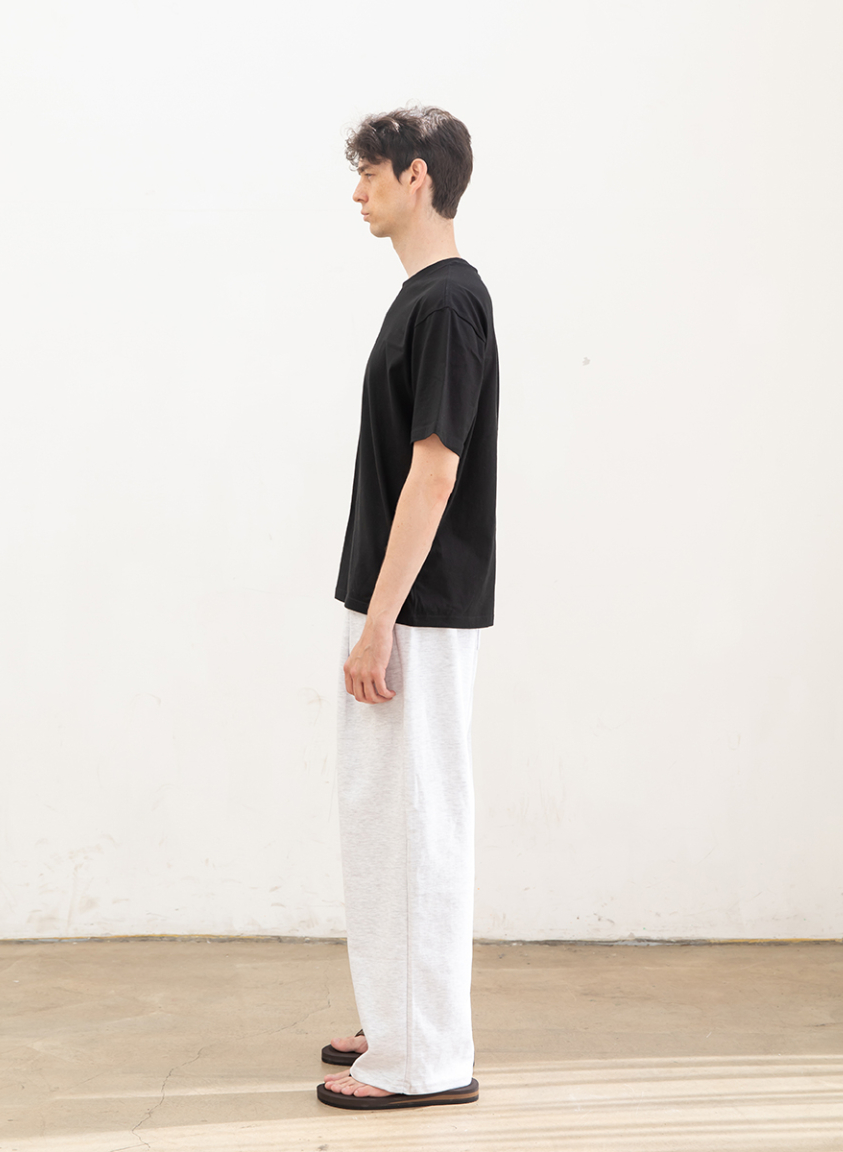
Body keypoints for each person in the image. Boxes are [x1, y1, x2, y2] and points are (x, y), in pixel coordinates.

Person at [316, 105, 499, 1112]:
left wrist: (382, 622)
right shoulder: (425, 299)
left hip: (416, 611)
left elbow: (435, 472)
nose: (358, 192)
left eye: (372, 174)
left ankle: (425, 1059)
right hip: (397, 604)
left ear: (417, 176)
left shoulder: (447, 305)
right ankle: (397, 1018)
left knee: (419, 821)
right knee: (385, 817)